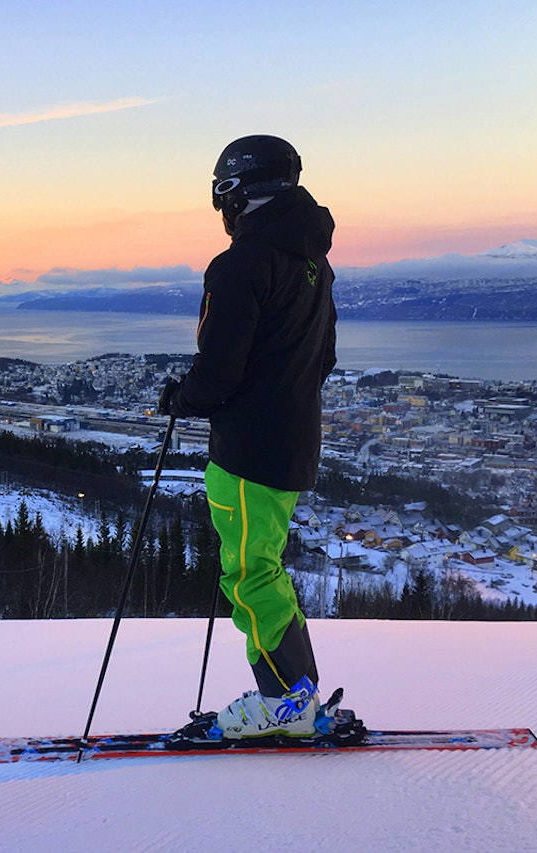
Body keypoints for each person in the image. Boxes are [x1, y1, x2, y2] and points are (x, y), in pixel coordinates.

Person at [157, 134, 337, 739]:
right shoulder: (315, 263)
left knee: (249, 575)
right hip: (294, 441)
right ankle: (299, 693)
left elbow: (219, 369)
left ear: (234, 192)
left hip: (247, 451)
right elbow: (324, 359)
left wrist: (184, 398)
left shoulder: (239, 265)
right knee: (266, 569)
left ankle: (287, 703)